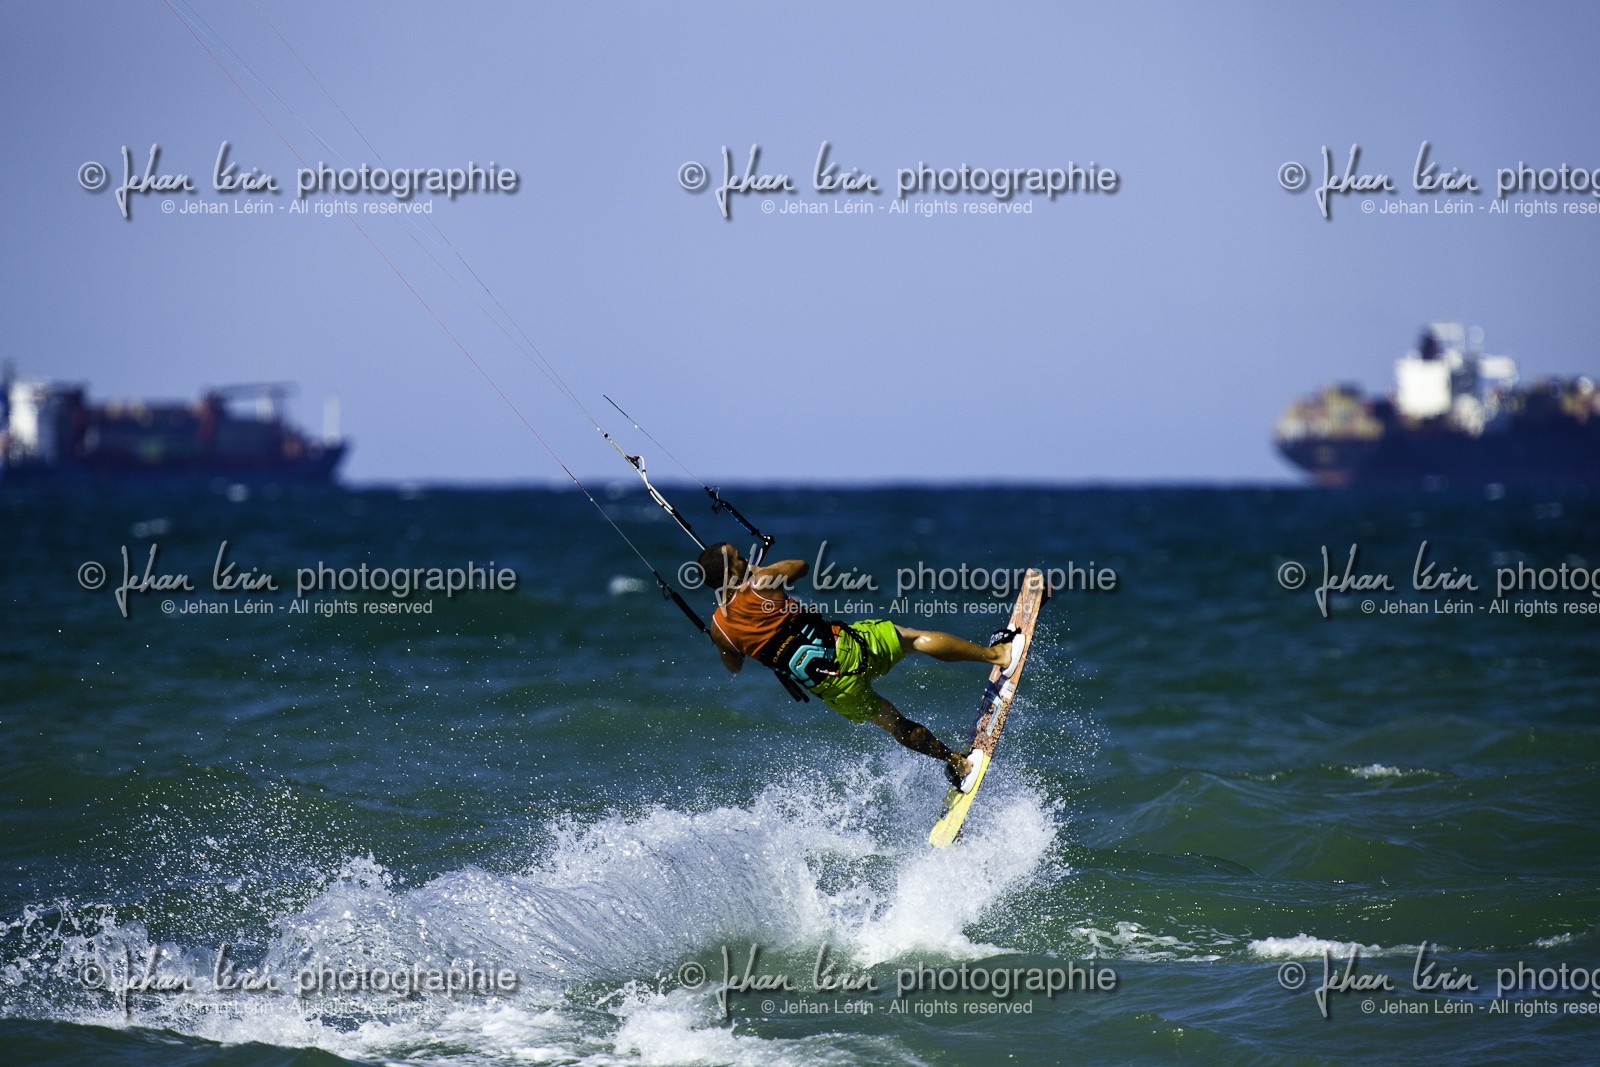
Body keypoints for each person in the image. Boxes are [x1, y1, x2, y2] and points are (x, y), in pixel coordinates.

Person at [696, 542, 1022, 789]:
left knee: (893, 723)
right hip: (848, 650)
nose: (745, 558)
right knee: (913, 638)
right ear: (732, 570)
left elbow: (734, 666)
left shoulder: (719, 629)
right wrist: (756, 572)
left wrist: (720, 631)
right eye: (739, 557)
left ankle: (958, 763)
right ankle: (998, 655)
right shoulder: (761, 581)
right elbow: (801, 566)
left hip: (830, 687)